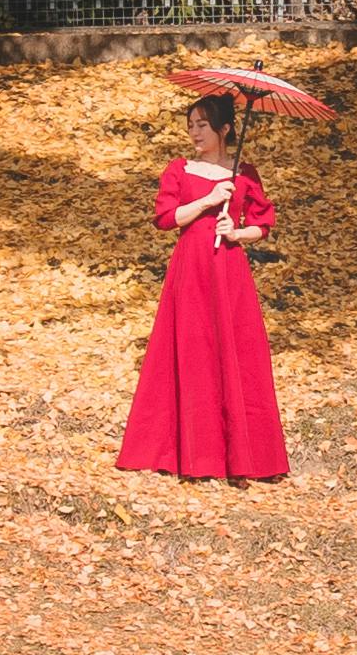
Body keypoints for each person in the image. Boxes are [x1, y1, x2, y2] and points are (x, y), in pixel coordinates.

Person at [119, 86, 293, 482]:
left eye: (203, 125)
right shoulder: (180, 170)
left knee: (233, 351)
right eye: (191, 126)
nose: (195, 133)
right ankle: (188, 454)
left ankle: (243, 458)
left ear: (226, 129)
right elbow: (166, 219)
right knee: (191, 349)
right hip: (191, 269)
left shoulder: (244, 175)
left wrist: (237, 232)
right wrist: (208, 201)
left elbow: (264, 226)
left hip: (228, 271)